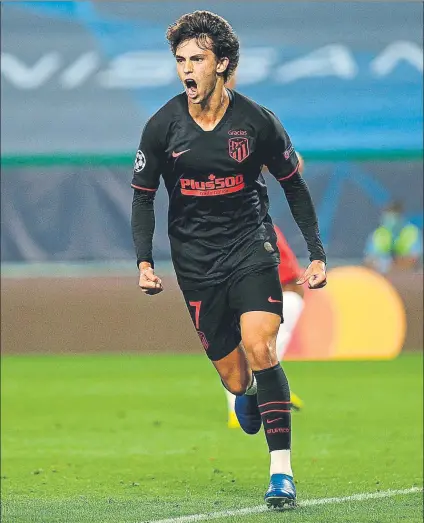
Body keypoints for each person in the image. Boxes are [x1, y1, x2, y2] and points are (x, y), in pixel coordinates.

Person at [131, 10, 327, 509]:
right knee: (238, 378)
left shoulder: (256, 121)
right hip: (195, 262)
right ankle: (246, 395)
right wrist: (144, 261)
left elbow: (293, 185)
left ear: (222, 64)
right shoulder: (162, 126)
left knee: (262, 349)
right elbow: (143, 195)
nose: (186, 70)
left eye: (197, 58)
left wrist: (316, 253)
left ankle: (281, 474)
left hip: (250, 247)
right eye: (180, 60)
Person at [364, 201, 422, 274]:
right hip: (383, 277)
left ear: (400, 217)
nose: (390, 220)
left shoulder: (412, 233)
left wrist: (390, 264)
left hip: (408, 276)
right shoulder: (378, 235)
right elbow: (368, 261)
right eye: (387, 216)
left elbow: (415, 260)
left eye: (393, 217)